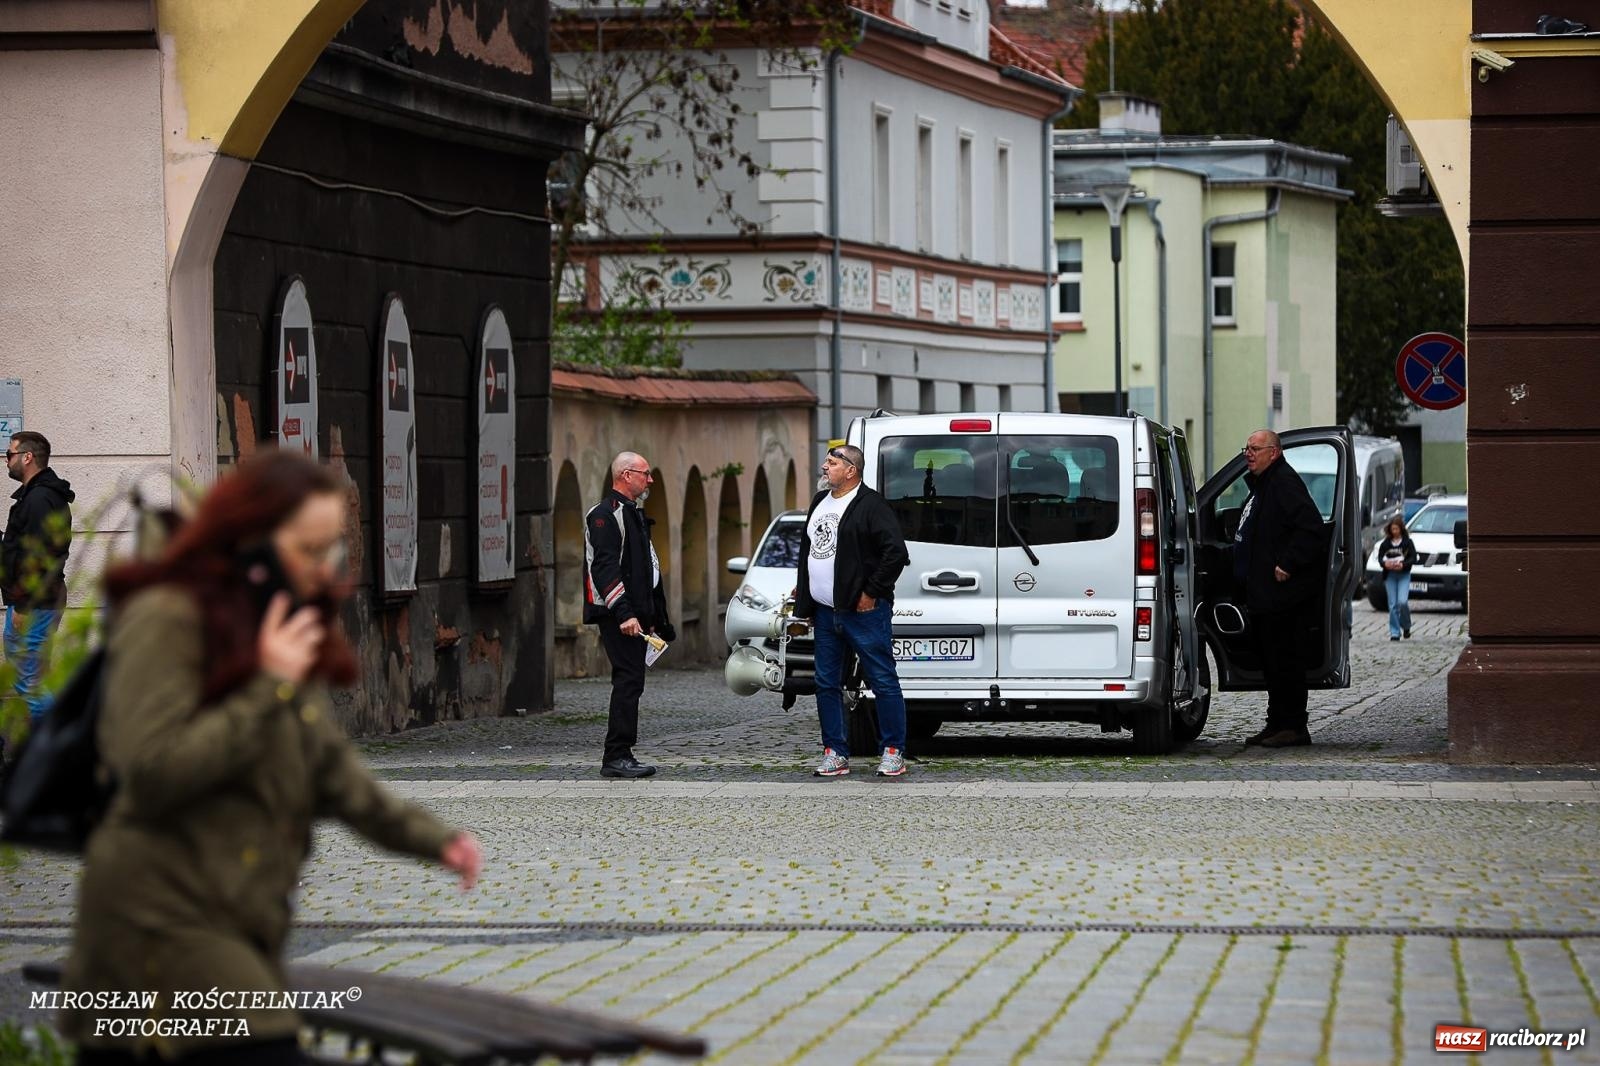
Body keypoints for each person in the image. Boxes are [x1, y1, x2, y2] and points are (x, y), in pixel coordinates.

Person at [60, 450, 482, 1065]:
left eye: (330, 550)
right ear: (250, 544)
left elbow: (334, 774)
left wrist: (437, 840)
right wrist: (269, 685)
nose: (323, 570)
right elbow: (150, 773)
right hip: (152, 930)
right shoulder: (169, 618)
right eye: (308, 551)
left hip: (238, 920)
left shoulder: (277, 625)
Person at [793, 444, 911, 777]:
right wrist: (805, 589)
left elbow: (895, 553)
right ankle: (835, 752)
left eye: (831, 463)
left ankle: (892, 751)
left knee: (882, 679)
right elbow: (812, 549)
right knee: (826, 682)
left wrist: (871, 592)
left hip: (863, 612)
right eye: (826, 462)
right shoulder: (819, 502)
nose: (824, 467)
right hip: (826, 611)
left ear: (851, 470)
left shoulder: (871, 505)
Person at [584, 451, 674, 779]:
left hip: (635, 614)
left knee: (632, 680)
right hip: (617, 614)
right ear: (626, 475)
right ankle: (617, 755)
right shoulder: (605, 516)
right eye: (645, 474)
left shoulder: (634, 513)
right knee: (627, 680)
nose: (650, 480)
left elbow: (645, 569)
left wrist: (653, 616)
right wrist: (624, 613)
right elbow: (605, 568)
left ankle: (622, 752)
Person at [1233, 430, 1325, 749]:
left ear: (1274, 452)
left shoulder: (1284, 482)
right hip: (1265, 596)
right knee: (1272, 663)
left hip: (1283, 598)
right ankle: (1276, 724)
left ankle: (1294, 726)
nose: (1248, 454)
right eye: (1246, 448)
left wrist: (1288, 562)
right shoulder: (1265, 485)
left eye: (1255, 449)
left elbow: (1311, 529)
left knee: (1286, 662)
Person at [2, 431, 75, 721]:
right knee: (36, 680)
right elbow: (24, 547)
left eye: (9, 455)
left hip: (34, 604)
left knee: (28, 683)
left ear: (27, 457)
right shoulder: (38, 496)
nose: (6, 461)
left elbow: (41, 558)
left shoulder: (39, 498)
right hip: (39, 600)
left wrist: (23, 605)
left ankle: (55, 756)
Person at [1379, 517, 1417, 641]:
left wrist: (1403, 565)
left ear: (1401, 529)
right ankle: (1394, 632)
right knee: (1392, 605)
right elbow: (1380, 558)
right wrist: (1385, 564)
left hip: (1403, 575)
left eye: (1396, 529)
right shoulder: (1386, 543)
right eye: (1392, 529)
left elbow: (1413, 557)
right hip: (1390, 576)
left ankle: (1406, 625)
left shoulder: (1407, 542)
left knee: (1402, 602)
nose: (1394, 531)